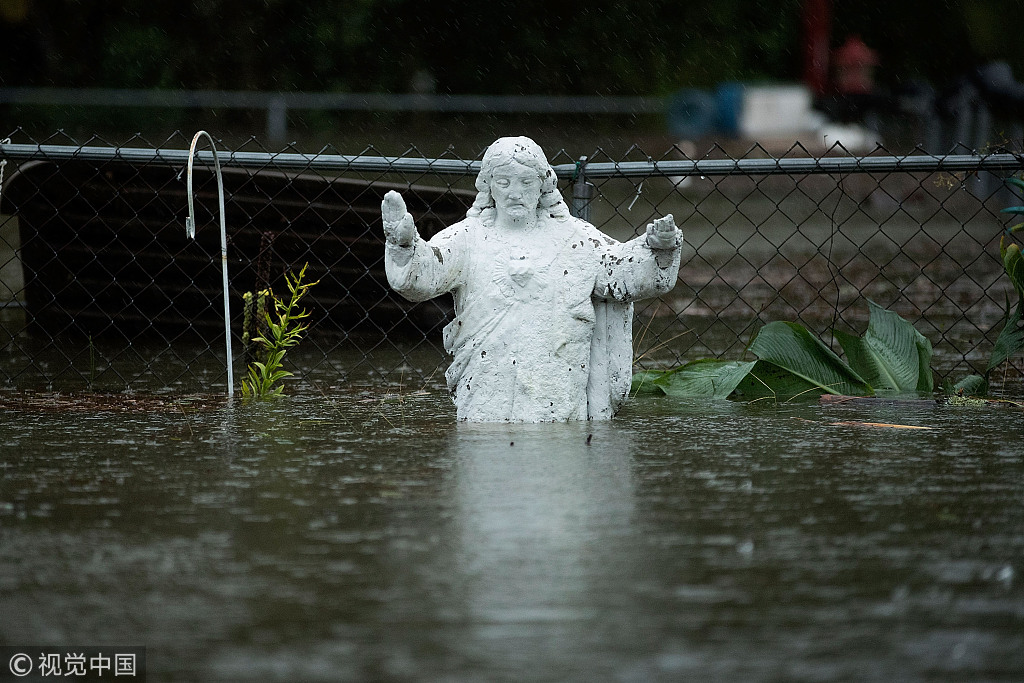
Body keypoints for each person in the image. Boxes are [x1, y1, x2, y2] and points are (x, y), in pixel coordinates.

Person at [381, 136, 682, 422]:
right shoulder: (468, 238)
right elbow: (426, 275)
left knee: (559, 455)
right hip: (486, 389)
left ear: (543, 186)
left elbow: (621, 273)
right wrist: (404, 247)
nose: (515, 192)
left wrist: (658, 249)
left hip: (558, 387)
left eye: (526, 182)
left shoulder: (574, 238)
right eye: (504, 182)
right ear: (489, 187)